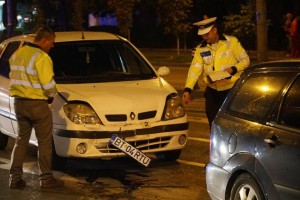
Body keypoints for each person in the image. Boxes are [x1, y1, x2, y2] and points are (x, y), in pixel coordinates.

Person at [8, 26, 64, 189]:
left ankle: (15, 178)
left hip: (19, 103)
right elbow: (48, 85)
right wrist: (53, 95)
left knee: (21, 141)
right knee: (44, 141)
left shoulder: (17, 54)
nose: (52, 46)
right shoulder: (41, 57)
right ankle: (46, 178)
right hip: (37, 104)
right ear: (45, 41)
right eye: (51, 43)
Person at [182, 17, 250, 127]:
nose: (204, 37)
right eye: (202, 35)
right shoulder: (201, 48)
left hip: (230, 91)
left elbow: (245, 60)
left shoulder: (231, 42)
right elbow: (194, 70)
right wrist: (188, 89)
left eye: (207, 34)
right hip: (212, 92)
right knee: (213, 125)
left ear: (214, 30)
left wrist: (233, 69)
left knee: (231, 125)